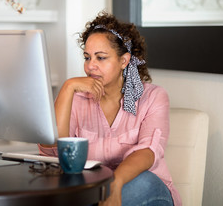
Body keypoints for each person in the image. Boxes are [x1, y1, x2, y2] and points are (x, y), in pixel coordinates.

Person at [39, 11, 181, 206]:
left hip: (146, 193)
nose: (91, 66)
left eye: (101, 58)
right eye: (87, 57)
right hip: (91, 193)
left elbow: (147, 152)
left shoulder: (153, 97)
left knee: (144, 181)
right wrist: (68, 87)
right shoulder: (76, 98)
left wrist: (115, 182)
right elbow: (52, 150)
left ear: (124, 61)